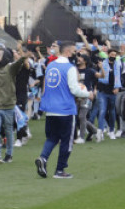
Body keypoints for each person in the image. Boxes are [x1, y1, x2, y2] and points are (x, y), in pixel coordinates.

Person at [35, 41, 92, 179]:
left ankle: (43, 158)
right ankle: (60, 170)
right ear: (67, 52)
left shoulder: (50, 66)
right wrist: (87, 93)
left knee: (52, 137)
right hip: (65, 109)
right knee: (67, 141)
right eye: (73, 52)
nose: (76, 55)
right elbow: (74, 89)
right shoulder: (70, 68)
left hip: (50, 109)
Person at [0, 41, 28, 164]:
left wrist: (20, 50)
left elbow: (23, 60)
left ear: (4, 57)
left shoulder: (11, 68)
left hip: (8, 105)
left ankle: (9, 154)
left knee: (9, 130)